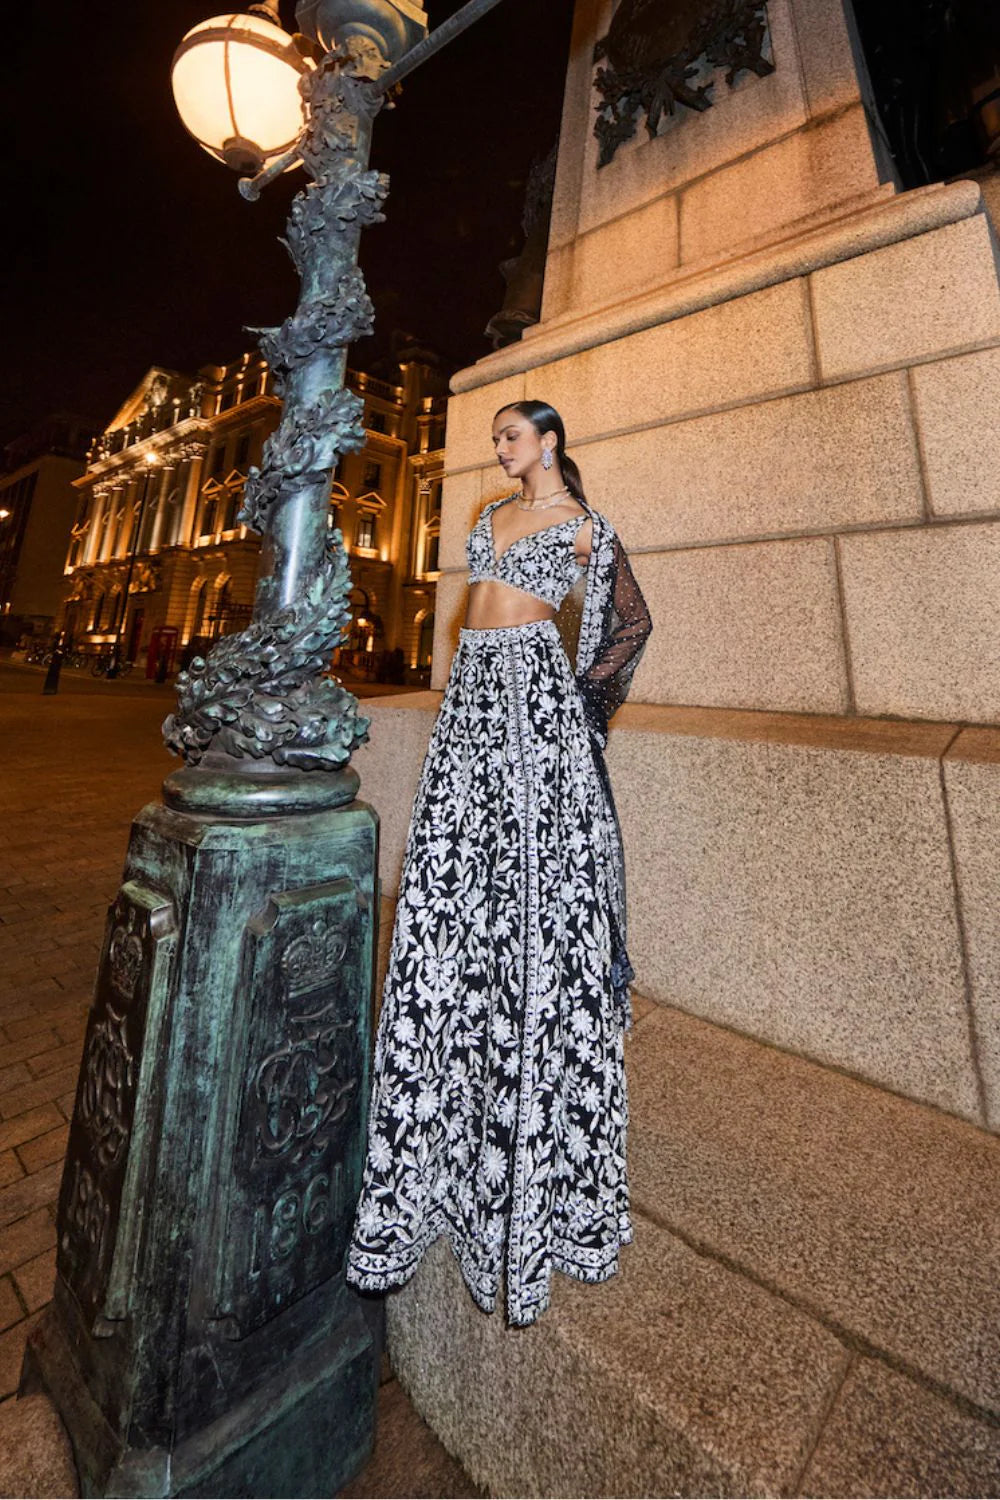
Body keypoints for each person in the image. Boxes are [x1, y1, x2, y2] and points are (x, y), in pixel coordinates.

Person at [346, 399, 652, 1327]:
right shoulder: (486, 518)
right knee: (453, 890)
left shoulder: (584, 527)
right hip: (470, 705)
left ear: (550, 442)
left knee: (528, 898)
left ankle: (532, 1173)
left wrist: (579, 710)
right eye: (497, 438)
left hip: (530, 699)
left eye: (512, 435)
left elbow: (629, 626)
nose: (500, 447)